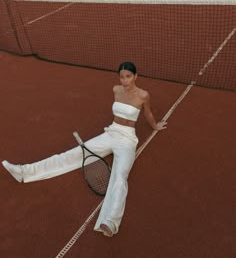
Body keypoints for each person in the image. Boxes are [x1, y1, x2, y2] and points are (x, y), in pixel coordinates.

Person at [2, 62, 167, 237]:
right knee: (71, 154)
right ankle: (24, 172)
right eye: (122, 77)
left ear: (136, 76)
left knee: (120, 176)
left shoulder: (143, 95)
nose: (125, 80)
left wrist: (155, 125)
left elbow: (147, 112)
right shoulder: (116, 90)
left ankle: (110, 221)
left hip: (127, 140)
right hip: (111, 133)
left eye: (128, 76)